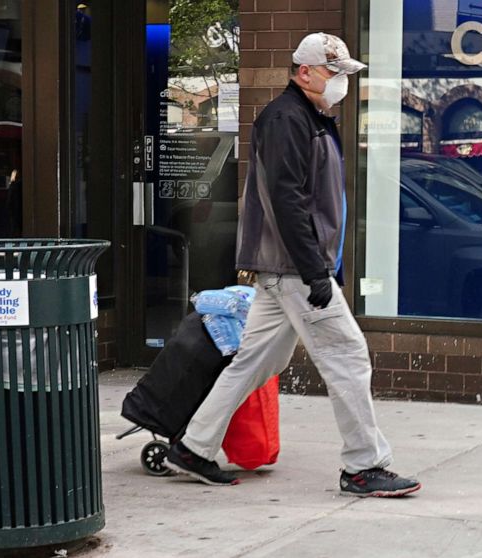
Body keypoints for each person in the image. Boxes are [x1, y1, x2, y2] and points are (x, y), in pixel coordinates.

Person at [164, 33, 421, 498]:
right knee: (347, 356)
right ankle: (364, 466)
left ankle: (193, 446)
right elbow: (287, 200)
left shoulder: (310, 116)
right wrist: (315, 271)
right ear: (304, 72)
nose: (341, 81)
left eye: (345, 73)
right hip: (294, 270)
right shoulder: (287, 119)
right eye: (334, 72)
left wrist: (321, 266)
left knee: (258, 359)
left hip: (286, 269)